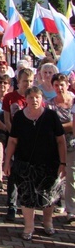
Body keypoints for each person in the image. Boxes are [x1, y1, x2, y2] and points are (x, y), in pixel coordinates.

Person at [4, 86, 66, 240]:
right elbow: (12, 141)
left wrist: (63, 163)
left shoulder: (51, 116)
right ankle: (29, 226)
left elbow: (61, 141)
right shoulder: (19, 117)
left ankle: (47, 222)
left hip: (49, 164)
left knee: (48, 195)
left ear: (42, 99)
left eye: (37, 97)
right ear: (26, 99)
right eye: (31, 97)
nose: (34, 100)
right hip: (25, 164)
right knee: (26, 195)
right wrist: (6, 162)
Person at [2, 67, 33, 221]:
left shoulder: (35, 97)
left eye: (30, 81)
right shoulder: (10, 97)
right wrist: (14, 135)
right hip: (13, 139)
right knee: (13, 173)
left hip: (30, 142)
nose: (28, 84)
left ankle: (26, 203)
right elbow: (7, 120)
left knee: (28, 174)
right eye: (25, 81)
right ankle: (12, 205)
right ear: (18, 82)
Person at [46, 72, 75, 221]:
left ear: (68, 85)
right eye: (56, 85)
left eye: (61, 85)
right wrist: (67, 127)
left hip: (72, 144)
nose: (59, 88)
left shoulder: (73, 102)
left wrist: (61, 127)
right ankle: (59, 201)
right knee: (59, 175)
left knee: (71, 176)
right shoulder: (50, 105)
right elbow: (49, 126)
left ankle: (71, 210)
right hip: (56, 144)